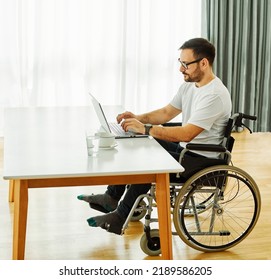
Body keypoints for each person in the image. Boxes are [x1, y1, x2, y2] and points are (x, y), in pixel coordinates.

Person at [77, 37, 232, 235]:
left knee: (149, 160)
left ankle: (120, 216)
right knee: (140, 145)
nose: (181, 69)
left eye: (186, 64)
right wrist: (137, 119)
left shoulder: (215, 95)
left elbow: (187, 133)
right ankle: (112, 197)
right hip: (188, 151)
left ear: (204, 63)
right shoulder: (189, 86)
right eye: (180, 63)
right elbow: (166, 113)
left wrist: (147, 129)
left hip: (201, 160)